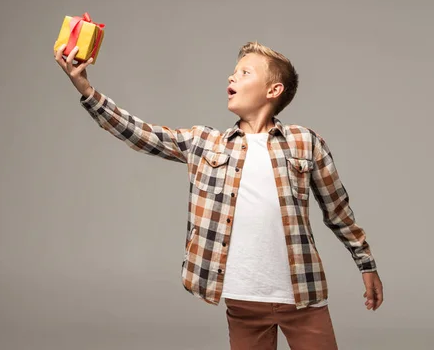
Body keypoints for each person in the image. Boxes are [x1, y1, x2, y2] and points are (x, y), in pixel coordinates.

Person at [53, 40, 384, 349]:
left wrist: (365, 264)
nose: (232, 75)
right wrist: (86, 89)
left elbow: (338, 210)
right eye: (234, 70)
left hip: (302, 295)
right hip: (243, 301)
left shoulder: (305, 142)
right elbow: (142, 134)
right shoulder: (205, 142)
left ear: (273, 90)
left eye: (244, 72)